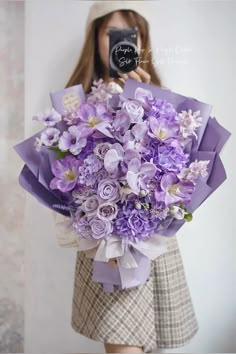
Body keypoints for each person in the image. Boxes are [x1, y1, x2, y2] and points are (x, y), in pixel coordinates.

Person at [66, 2, 199, 353]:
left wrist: (145, 101)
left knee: (146, 343)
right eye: (112, 33)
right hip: (103, 243)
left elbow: (173, 169)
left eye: (131, 34)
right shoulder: (76, 99)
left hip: (149, 243)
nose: (122, 43)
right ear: (95, 37)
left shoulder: (157, 96)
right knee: (124, 344)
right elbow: (67, 172)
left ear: (142, 41)